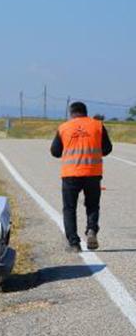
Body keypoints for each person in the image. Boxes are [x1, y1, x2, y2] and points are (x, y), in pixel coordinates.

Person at [50, 102, 112, 252]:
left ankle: (74, 243)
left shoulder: (64, 127)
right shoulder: (97, 125)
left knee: (69, 208)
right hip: (92, 173)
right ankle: (91, 230)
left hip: (71, 174)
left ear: (71, 113)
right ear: (85, 112)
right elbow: (107, 148)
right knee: (92, 205)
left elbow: (55, 152)